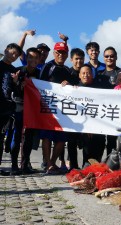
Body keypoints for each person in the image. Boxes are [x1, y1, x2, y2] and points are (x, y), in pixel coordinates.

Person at [40, 42, 72, 174]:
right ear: (54, 53)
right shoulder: (48, 66)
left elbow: (71, 89)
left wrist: (68, 84)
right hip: (48, 108)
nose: (60, 55)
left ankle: (52, 162)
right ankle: (47, 164)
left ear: (67, 54)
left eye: (63, 52)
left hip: (62, 110)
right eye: (58, 52)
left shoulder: (67, 70)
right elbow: (39, 83)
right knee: (46, 137)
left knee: (61, 139)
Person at [10, 47, 41, 175]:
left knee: (28, 138)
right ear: (25, 58)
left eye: (35, 58)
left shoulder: (40, 73)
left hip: (33, 108)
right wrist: (17, 83)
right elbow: (11, 90)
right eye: (30, 57)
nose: (32, 60)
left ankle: (25, 165)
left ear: (39, 59)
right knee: (17, 137)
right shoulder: (18, 71)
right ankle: (14, 166)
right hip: (19, 106)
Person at [76, 64, 106, 167]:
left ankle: (97, 169)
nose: (86, 75)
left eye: (88, 73)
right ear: (79, 75)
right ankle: (85, 168)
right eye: (83, 73)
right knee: (87, 153)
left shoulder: (98, 88)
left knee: (99, 148)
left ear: (92, 75)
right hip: (83, 129)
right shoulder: (75, 89)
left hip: (98, 127)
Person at [0, 43, 22, 175]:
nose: (14, 56)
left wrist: (15, 82)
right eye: (12, 53)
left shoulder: (14, 70)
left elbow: (16, 91)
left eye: (17, 55)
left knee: (1, 137)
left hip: (6, 109)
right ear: (6, 50)